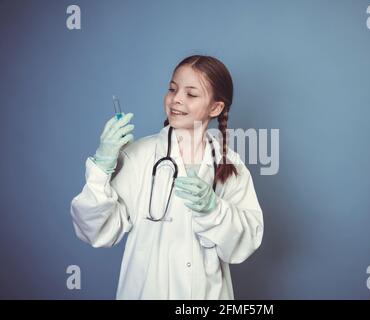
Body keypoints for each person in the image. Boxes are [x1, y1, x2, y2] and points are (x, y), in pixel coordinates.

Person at [70, 55, 264, 299]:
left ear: (216, 108)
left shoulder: (230, 165)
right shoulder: (139, 156)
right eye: (173, 89)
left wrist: (214, 210)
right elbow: (97, 231)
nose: (177, 99)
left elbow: (245, 243)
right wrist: (101, 167)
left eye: (191, 94)